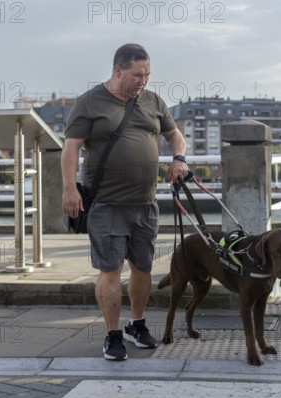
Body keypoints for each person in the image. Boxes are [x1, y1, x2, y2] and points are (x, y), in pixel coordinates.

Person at [61, 43, 189, 361]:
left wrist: (179, 159)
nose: (142, 81)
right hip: (106, 204)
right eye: (137, 74)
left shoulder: (153, 101)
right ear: (118, 70)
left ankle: (137, 324)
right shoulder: (90, 102)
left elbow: (175, 135)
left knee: (143, 268)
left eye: (147, 74)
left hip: (145, 204)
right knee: (111, 270)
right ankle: (113, 333)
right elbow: (71, 148)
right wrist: (69, 189)